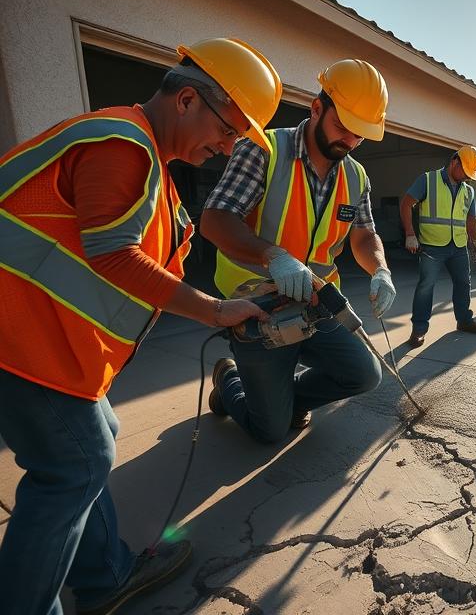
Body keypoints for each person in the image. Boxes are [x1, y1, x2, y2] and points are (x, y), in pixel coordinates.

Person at [0, 37, 279, 615]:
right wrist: (215, 310)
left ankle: (104, 574)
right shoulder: (123, 143)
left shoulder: (143, 157)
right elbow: (113, 254)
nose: (228, 148)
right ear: (185, 100)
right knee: (76, 463)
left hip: (41, 341)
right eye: (229, 130)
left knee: (91, 442)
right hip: (18, 340)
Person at [202, 59, 395, 443]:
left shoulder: (356, 176)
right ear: (317, 108)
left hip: (317, 301)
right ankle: (230, 380)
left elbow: (363, 237)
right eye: (342, 127)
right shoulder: (263, 150)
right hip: (258, 304)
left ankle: (286, 399)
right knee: (270, 431)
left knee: (366, 373)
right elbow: (215, 220)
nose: (349, 141)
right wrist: (273, 256)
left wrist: (381, 269)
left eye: (359, 135)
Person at [401, 145, 476, 347]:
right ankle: (418, 330)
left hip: (458, 246)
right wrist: (410, 234)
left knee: (463, 284)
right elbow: (406, 204)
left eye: (470, 174)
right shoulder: (428, 180)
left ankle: (464, 321)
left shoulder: (468, 191)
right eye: (465, 172)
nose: (467, 177)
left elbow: (471, 218)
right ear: (454, 162)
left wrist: (475, 241)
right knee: (426, 287)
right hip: (432, 247)